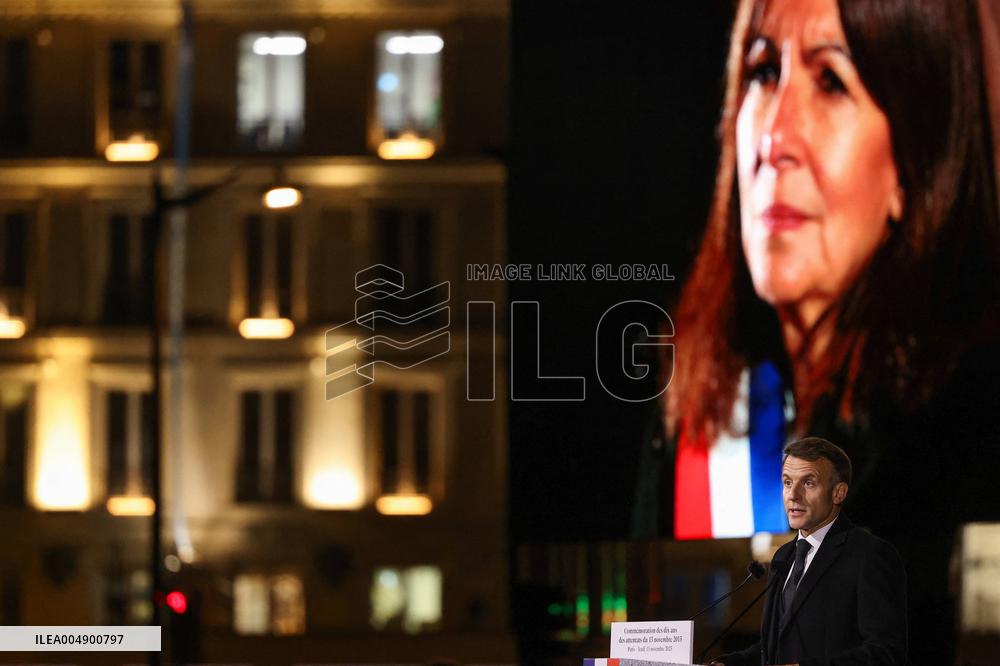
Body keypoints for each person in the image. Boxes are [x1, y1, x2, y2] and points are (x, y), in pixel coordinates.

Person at [631, 0, 1000, 661]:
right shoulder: (689, 402)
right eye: (763, 72)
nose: (774, 135)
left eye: (831, 82)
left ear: (918, 155)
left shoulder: (972, 423)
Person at [709, 438, 907, 666]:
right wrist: (730, 663)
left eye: (809, 483)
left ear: (838, 493)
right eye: (787, 482)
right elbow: (774, 647)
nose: (793, 495)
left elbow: (886, 653)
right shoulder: (783, 556)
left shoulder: (870, 555)